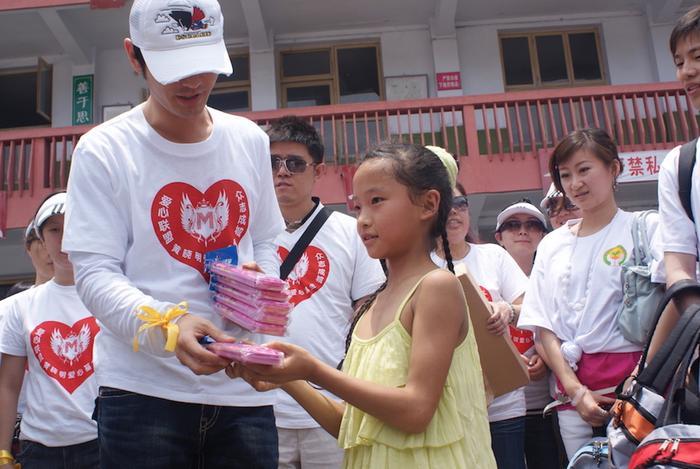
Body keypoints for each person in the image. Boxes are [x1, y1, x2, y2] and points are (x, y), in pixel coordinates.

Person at [62, 0, 284, 467]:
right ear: (133, 55)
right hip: (143, 391)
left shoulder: (249, 140)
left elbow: (265, 239)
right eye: (173, 68)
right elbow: (95, 274)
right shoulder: (104, 150)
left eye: (204, 65)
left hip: (243, 386)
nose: (193, 82)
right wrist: (169, 324)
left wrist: (258, 277)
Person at [228, 143, 496, 469]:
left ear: (428, 204)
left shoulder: (435, 286)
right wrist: (287, 378)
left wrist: (313, 369)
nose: (363, 220)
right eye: (358, 207)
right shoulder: (374, 303)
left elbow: (415, 411)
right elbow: (352, 426)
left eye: (377, 202)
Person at [519, 128, 659, 458]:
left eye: (584, 170)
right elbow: (543, 324)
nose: (575, 184)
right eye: (565, 175)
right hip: (572, 400)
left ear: (613, 169)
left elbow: (676, 307)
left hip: (638, 392)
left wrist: (638, 380)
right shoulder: (552, 243)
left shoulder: (646, 227)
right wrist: (574, 390)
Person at [268, 116, 385, 469]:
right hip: (263, 404)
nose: (282, 172)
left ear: (317, 170)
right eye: (272, 162)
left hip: (332, 404)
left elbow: (368, 314)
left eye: (295, 163)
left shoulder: (350, 231)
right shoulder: (249, 234)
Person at [432, 180, 529, 469]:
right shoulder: (421, 265)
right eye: (446, 206)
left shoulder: (493, 256)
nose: (455, 213)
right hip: (450, 408)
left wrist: (507, 310)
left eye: (461, 204)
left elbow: (532, 311)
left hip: (503, 404)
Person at [0, 192, 99, 469]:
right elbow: (8, 385)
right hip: (39, 448)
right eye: (55, 230)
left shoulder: (109, 299)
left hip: (101, 442)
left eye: (73, 226)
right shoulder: (21, 306)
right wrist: (3, 453)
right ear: (41, 241)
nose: (65, 238)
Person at [494, 201, 566, 469]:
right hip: (499, 410)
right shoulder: (488, 275)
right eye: (513, 225)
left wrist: (545, 358)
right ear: (499, 237)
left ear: (543, 236)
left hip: (544, 406)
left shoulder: (554, 276)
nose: (522, 231)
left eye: (532, 225)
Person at [647, 5, 700, 358]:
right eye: (679, 62)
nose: (687, 72)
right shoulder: (681, 165)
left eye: (697, 57)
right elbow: (679, 266)